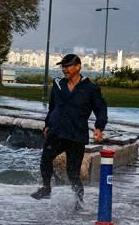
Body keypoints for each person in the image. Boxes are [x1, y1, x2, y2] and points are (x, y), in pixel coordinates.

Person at [31, 54, 108, 207]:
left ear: (78, 66)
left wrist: (99, 127)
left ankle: (79, 201)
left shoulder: (90, 89)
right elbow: (52, 107)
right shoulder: (58, 85)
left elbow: (101, 109)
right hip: (57, 132)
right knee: (45, 159)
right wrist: (48, 124)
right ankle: (46, 188)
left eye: (68, 66)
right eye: (63, 66)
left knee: (72, 173)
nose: (64, 69)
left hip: (76, 135)